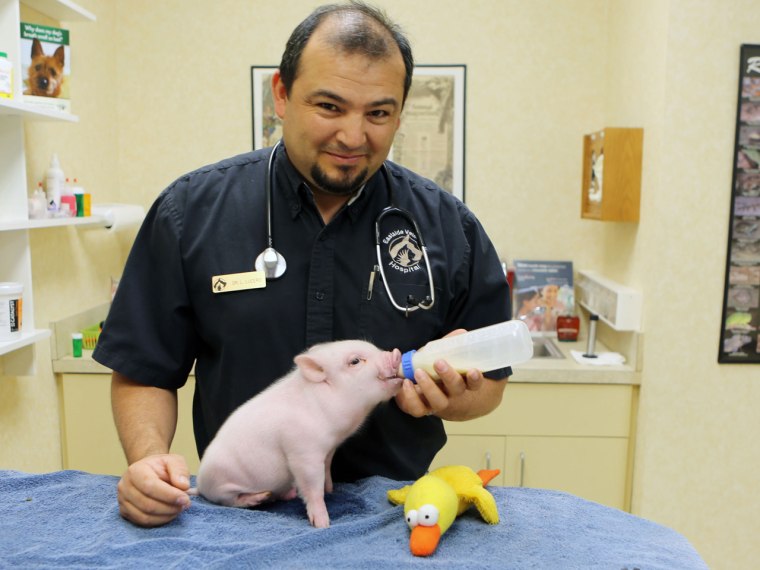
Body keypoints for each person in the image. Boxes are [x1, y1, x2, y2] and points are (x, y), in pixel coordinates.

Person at [93, 0, 511, 528]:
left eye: (378, 113)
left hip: (398, 518)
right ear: (282, 95)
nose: (354, 136)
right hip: (243, 514)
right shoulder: (191, 213)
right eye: (330, 107)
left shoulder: (451, 229)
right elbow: (144, 370)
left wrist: (457, 398)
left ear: (399, 113)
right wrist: (148, 459)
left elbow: (491, 383)